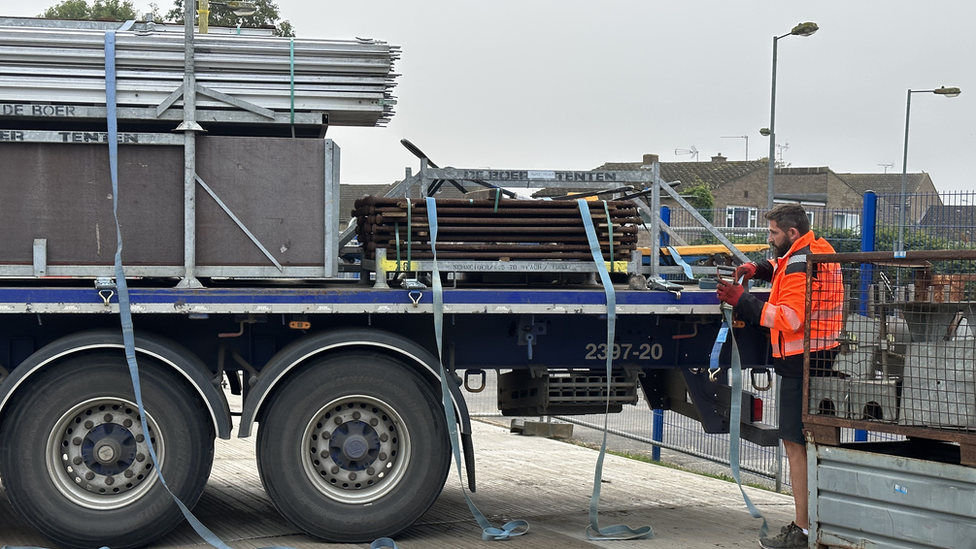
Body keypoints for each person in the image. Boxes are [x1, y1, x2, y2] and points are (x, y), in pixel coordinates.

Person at [715, 203, 843, 549]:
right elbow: (784, 264)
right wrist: (758, 268)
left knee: (794, 443)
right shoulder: (818, 248)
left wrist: (741, 299)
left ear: (792, 233)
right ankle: (815, 522)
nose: (769, 239)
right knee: (810, 441)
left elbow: (788, 318)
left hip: (800, 359)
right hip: (820, 354)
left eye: (773, 233)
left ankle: (802, 530)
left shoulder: (801, 264)